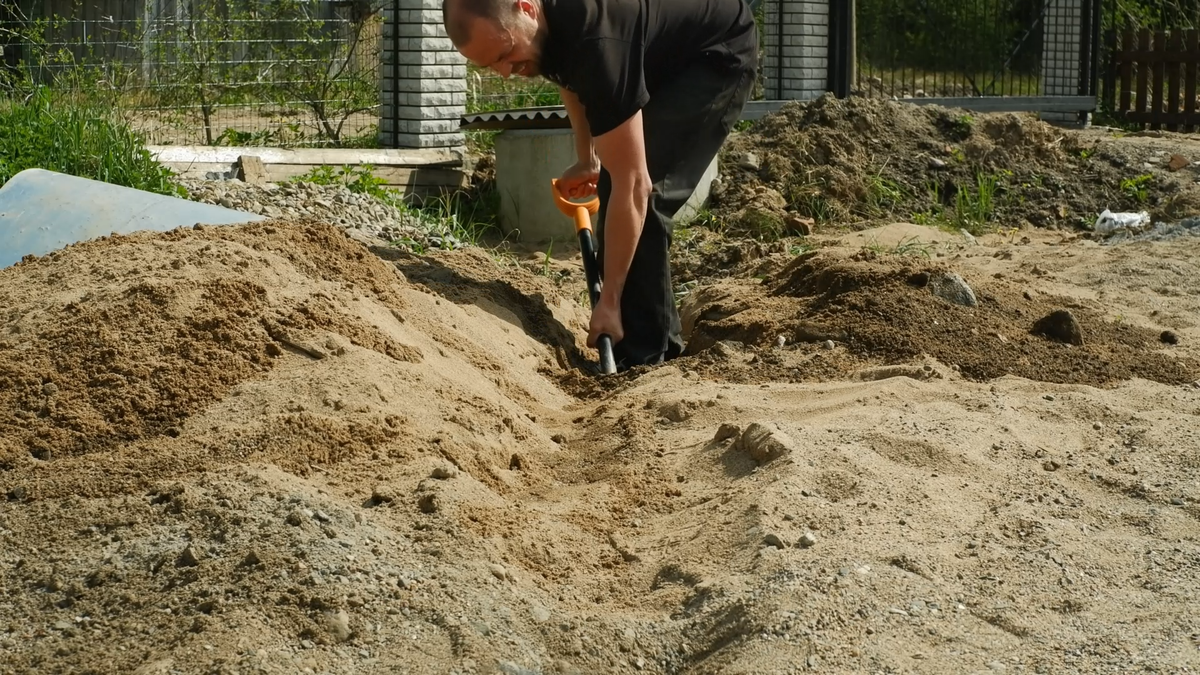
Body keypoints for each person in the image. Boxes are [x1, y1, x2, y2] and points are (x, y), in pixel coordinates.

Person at [443, 0, 758, 371]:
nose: (505, 71)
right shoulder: (548, 27)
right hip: (660, 50)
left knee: (646, 191)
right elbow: (572, 80)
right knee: (617, 180)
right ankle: (658, 344)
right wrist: (587, 157)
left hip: (715, 54)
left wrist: (609, 300)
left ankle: (644, 357)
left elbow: (635, 184)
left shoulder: (597, 38)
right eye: (490, 64)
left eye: (507, 52)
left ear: (526, 7)